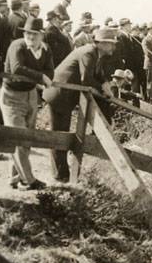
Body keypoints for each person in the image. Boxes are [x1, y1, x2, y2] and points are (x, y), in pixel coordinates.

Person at [42, 28, 117, 183]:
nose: (113, 47)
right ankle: (60, 175)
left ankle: (64, 172)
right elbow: (86, 80)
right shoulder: (88, 52)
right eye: (110, 44)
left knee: (63, 131)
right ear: (101, 43)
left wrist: (105, 83)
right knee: (60, 133)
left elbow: (98, 74)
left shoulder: (96, 54)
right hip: (60, 94)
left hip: (68, 94)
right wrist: (103, 92)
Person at [0, 17, 54, 190]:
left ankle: (14, 177)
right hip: (12, 96)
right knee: (19, 137)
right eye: (28, 33)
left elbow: (50, 72)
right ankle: (28, 180)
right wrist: (40, 76)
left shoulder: (45, 50)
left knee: (27, 139)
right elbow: (16, 68)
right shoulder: (17, 46)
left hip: (31, 94)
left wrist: (42, 76)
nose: (30, 36)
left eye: (35, 34)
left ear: (41, 36)